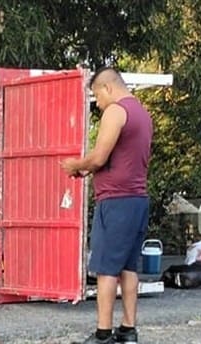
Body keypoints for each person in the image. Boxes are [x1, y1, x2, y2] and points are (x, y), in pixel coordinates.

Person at [60, 67, 153, 344]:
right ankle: (128, 330)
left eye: (97, 96)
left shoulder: (116, 111)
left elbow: (100, 157)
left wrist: (75, 165)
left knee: (106, 268)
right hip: (137, 199)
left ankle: (103, 333)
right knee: (128, 267)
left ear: (108, 88)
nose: (97, 103)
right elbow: (120, 158)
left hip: (116, 201)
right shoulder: (143, 113)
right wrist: (88, 169)